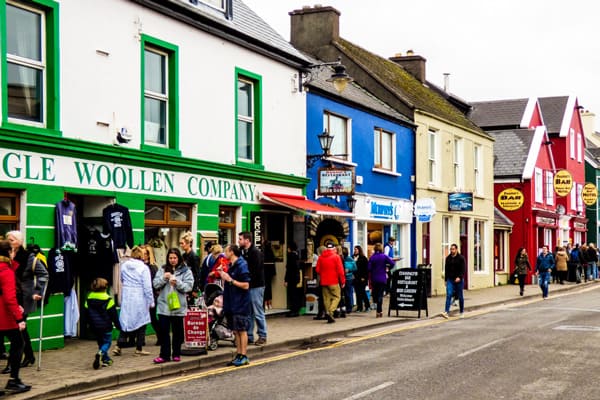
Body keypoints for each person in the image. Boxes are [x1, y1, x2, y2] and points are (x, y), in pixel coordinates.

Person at [7, 230, 48, 369]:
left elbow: (43, 274)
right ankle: (29, 356)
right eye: (8, 240)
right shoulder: (5, 255)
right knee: (19, 329)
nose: (9, 242)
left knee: (18, 327)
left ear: (19, 242)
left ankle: (13, 364)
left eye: (12, 240)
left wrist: (37, 291)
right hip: (11, 295)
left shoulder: (29, 257)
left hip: (25, 297)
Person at [152, 248, 194, 364]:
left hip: (178, 306)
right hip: (164, 306)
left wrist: (178, 283)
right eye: (170, 258)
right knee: (164, 331)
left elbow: (189, 287)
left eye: (175, 258)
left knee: (177, 332)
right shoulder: (162, 269)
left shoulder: (186, 271)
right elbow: (155, 284)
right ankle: (164, 355)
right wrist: (163, 278)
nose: (172, 260)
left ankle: (176, 353)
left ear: (179, 258)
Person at [0, 240, 31, 394]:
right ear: (9, 253)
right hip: (5, 316)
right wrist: (19, 318)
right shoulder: (6, 271)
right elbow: (9, 298)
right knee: (18, 344)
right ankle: (13, 380)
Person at [113, 246, 154, 357]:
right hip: (140, 296)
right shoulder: (144, 268)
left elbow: (121, 279)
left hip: (127, 295)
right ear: (141, 256)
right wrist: (151, 301)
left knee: (125, 322)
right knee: (142, 322)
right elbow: (147, 287)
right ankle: (139, 348)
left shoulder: (124, 266)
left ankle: (118, 346)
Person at [218, 244, 251, 367]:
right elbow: (228, 280)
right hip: (232, 302)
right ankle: (238, 354)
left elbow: (246, 285)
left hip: (240, 302)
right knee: (236, 331)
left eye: (226, 251)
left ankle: (244, 355)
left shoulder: (242, 265)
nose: (224, 254)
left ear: (232, 252)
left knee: (242, 330)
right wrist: (222, 274)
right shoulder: (231, 265)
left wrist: (231, 280)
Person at [238, 231, 267, 346]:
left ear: (247, 240)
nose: (239, 241)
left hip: (256, 286)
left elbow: (254, 272)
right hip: (248, 286)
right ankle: (249, 335)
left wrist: (245, 281)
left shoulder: (255, 253)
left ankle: (262, 335)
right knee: (248, 312)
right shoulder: (243, 252)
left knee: (258, 311)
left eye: (240, 239)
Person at [84, 278, 121, 369]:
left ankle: (106, 360)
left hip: (94, 326)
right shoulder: (108, 300)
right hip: (106, 326)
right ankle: (100, 353)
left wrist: (88, 324)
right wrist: (118, 326)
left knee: (101, 343)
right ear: (105, 287)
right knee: (107, 343)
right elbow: (114, 316)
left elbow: (85, 314)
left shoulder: (89, 299)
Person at [315, 244, 345, 323]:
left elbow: (317, 270)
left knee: (326, 299)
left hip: (324, 281)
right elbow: (340, 271)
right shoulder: (336, 257)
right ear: (334, 249)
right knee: (337, 296)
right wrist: (342, 281)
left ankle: (328, 313)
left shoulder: (321, 257)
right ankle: (330, 311)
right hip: (333, 281)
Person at [367, 243, 395, 318]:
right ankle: (379, 311)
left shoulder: (372, 257)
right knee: (380, 295)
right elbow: (392, 263)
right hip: (382, 278)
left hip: (374, 279)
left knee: (375, 295)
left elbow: (369, 268)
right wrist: (388, 268)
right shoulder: (384, 256)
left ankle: (378, 310)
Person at [141, 245, 161, 346]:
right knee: (143, 318)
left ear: (149, 255)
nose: (143, 256)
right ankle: (141, 340)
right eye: (142, 253)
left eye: (145, 254)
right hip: (142, 296)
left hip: (151, 296)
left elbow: (154, 283)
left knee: (152, 318)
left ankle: (161, 337)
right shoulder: (141, 266)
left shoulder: (152, 267)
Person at [441, 243, 466, 319]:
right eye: (451, 249)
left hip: (459, 280)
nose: (452, 250)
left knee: (460, 296)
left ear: (456, 249)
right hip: (450, 279)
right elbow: (446, 269)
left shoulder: (461, 258)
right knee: (448, 294)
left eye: (453, 249)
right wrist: (445, 280)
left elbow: (463, 269)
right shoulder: (448, 258)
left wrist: (460, 277)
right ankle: (446, 312)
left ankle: (461, 312)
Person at [180, 231, 201, 304]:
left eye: (182, 243)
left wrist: (195, 289)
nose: (181, 245)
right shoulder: (183, 256)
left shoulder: (194, 257)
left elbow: (197, 273)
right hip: (184, 284)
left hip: (191, 285)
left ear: (189, 244)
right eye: (180, 243)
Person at [284, 242, 302, 317]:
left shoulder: (290, 256)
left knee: (292, 294)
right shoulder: (297, 255)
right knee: (295, 294)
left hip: (291, 278)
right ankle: (296, 310)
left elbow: (289, 269)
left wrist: (286, 280)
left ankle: (293, 311)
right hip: (296, 277)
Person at [353, 245, 370, 312]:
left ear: (359, 250)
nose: (355, 251)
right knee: (357, 293)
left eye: (356, 249)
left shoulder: (363, 258)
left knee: (363, 293)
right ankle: (359, 307)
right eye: (354, 249)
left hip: (362, 278)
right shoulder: (352, 257)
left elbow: (366, 269)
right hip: (355, 278)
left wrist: (364, 277)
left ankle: (367, 306)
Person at [341, 247, 357, 314]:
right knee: (344, 294)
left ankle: (349, 308)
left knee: (347, 293)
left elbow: (355, 268)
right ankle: (345, 307)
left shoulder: (349, 259)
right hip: (344, 278)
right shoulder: (341, 259)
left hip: (348, 278)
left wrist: (349, 270)